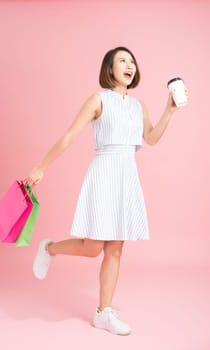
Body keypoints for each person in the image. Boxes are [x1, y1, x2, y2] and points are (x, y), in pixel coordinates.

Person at [27, 46, 187, 336]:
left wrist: (170, 110)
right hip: (103, 174)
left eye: (132, 61)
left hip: (127, 176)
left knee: (115, 249)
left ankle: (104, 312)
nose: (129, 65)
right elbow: (69, 136)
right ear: (109, 69)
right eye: (122, 61)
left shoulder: (139, 106)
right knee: (93, 248)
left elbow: (150, 138)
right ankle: (49, 248)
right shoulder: (98, 100)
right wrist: (41, 167)